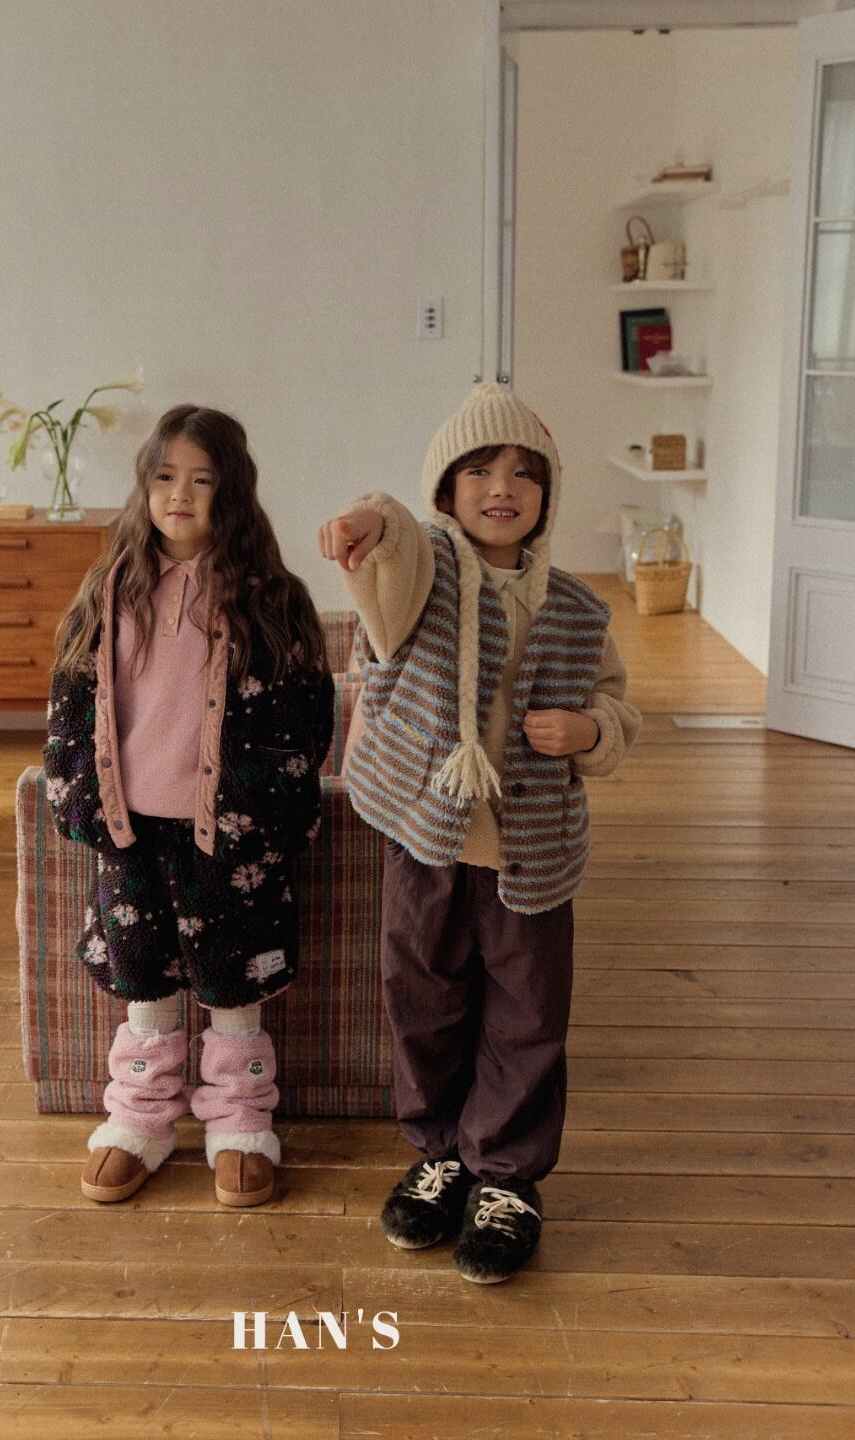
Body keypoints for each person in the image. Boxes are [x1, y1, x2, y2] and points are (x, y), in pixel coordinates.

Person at [318, 383, 640, 1282]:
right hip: (427, 836)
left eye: (524, 474)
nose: (502, 488)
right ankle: (440, 1153)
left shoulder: (576, 607)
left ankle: (505, 1173)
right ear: (446, 490)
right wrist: (369, 522)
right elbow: (389, 547)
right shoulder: (423, 578)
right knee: (422, 996)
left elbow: (618, 707)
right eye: (479, 471)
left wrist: (589, 731)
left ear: (547, 496)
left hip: (532, 853)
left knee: (529, 1012)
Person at [46, 404, 333, 1209]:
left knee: (233, 976)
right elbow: (69, 701)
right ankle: (139, 1118)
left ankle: (241, 1122)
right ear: (144, 486)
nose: (180, 495)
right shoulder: (107, 591)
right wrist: (77, 793)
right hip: (129, 828)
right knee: (143, 971)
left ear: (231, 494)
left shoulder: (273, 600)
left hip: (232, 838)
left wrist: (270, 810)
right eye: (166, 477)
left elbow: (307, 717)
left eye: (202, 481)